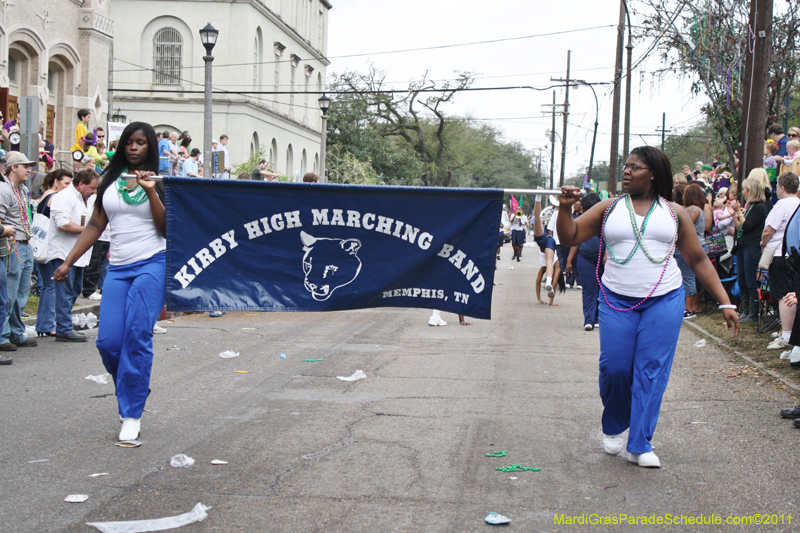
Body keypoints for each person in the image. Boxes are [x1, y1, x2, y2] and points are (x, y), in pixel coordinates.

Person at [556, 146, 739, 468]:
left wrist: (726, 301)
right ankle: (614, 424)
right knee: (615, 368)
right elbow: (570, 236)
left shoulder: (674, 213)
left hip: (665, 298)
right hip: (616, 298)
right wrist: (564, 209)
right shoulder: (608, 208)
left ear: (652, 173)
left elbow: (697, 259)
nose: (627, 172)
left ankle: (639, 444)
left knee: (651, 370)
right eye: (625, 167)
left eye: (635, 167)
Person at [53, 122, 166, 444]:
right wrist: (67, 261)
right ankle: (134, 385)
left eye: (140, 143)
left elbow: (165, 230)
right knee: (108, 342)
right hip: (117, 268)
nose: (133, 148)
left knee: (137, 335)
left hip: (153, 264)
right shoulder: (110, 183)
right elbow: (95, 225)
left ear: (150, 147)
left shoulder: (159, 183)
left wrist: (149, 190)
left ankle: (131, 413)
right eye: (129, 142)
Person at [47, 168, 98, 342]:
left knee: (75, 289)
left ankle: (64, 325)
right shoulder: (64, 197)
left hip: (80, 253)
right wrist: (89, 231)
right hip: (64, 251)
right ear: (81, 184)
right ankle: (63, 328)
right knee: (64, 291)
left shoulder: (87, 199)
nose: (94, 191)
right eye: (92, 188)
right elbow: (63, 224)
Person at [0, 152, 39, 351]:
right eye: (25, 166)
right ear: (13, 167)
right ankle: (3, 335)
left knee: (21, 294)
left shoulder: (23, 189)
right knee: (9, 293)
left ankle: (16, 332)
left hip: (26, 244)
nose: (29, 170)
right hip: (12, 245)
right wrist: (6, 241)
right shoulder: (4, 189)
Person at [762, 172, 800, 351]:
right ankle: (791, 332)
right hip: (794, 255)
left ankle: (786, 334)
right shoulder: (798, 203)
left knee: (783, 295)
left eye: (777, 186)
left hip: (779, 253)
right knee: (793, 293)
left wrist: (762, 245)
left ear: (782, 188)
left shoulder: (781, 205)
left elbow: (768, 230)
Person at [34, 169, 73, 337]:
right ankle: (47, 324)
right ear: (56, 181)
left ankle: (44, 323)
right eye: (65, 183)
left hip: (40, 243)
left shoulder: (46, 195)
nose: (68, 187)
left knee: (46, 285)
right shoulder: (55, 197)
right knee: (50, 285)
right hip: (49, 245)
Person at [730, 177, 768, 322]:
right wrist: (735, 213)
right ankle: (744, 310)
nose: (743, 193)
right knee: (742, 280)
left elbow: (748, 226)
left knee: (750, 280)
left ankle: (753, 313)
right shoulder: (750, 206)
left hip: (752, 247)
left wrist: (740, 212)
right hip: (742, 246)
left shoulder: (759, 207)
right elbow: (739, 227)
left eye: (745, 189)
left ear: (751, 191)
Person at [566, 192, 603, 330]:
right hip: (585, 258)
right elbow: (576, 240)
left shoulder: (607, 220)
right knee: (589, 289)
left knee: (602, 289)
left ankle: (598, 318)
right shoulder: (582, 220)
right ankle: (589, 319)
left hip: (604, 260)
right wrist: (570, 259)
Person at [532, 195, 564, 305]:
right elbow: (539, 283)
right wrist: (539, 299)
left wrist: (547, 301)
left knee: (537, 218)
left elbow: (538, 282)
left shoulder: (543, 267)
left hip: (541, 241)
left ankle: (538, 198)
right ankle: (538, 196)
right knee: (549, 262)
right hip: (549, 241)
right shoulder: (557, 265)